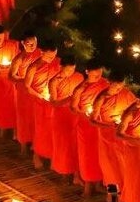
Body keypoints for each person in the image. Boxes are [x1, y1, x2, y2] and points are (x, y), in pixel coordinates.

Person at [91, 71, 136, 196]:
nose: (119, 90)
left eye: (121, 87)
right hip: (107, 137)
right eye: (116, 87)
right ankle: (113, 197)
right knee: (110, 170)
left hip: (121, 138)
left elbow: (135, 107)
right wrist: (109, 125)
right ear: (109, 83)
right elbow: (93, 120)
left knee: (123, 168)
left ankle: (126, 196)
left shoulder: (126, 94)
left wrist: (123, 118)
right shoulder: (101, 98)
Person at [70, 59, 109, 196]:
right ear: (87, 72)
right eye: (95, 75)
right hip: (86, 125)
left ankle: (99, 183)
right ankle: (87, 185)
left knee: (100, 155)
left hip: (99, 125)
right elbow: (73, 108)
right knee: (87, 155)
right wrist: (85, 113)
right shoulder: (81, 88)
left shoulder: (105, 85)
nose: (98, 78)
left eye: (100, 74)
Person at [47, 55, 85, 181]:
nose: (70, 73)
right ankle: (63, 173)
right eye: (68, 70)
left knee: (75, 145)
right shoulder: (54, 81)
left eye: (72, 70)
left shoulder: (79, 77)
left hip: (75, 115)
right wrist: (69, 98)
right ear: (60, 67)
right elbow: (53, 102)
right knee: (63, 146)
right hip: (61, 116)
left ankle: (76, 174)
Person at [25, 41, 61, 169]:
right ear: (41, 53)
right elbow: (28, 86)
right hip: (40, 102)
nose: (51, 59)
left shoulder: (57, 63)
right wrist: (40, 96)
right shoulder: (33, 67)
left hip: (53, 102)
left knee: (52, 130)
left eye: (53, 56)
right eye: (49, 57)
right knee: (40, 130)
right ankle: (37, 154)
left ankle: (52, 156)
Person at [9, 31, 41, 154]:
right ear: (23, 43)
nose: (32, 46)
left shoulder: (40, 55)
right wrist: (25, 79)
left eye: (34, 43)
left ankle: (35, 143)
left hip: (36, 90)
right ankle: (23, 144)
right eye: (29, 44)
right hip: (24, 91)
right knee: (24, 118)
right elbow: (11, 76)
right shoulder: (19, 58)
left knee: (35, 119)